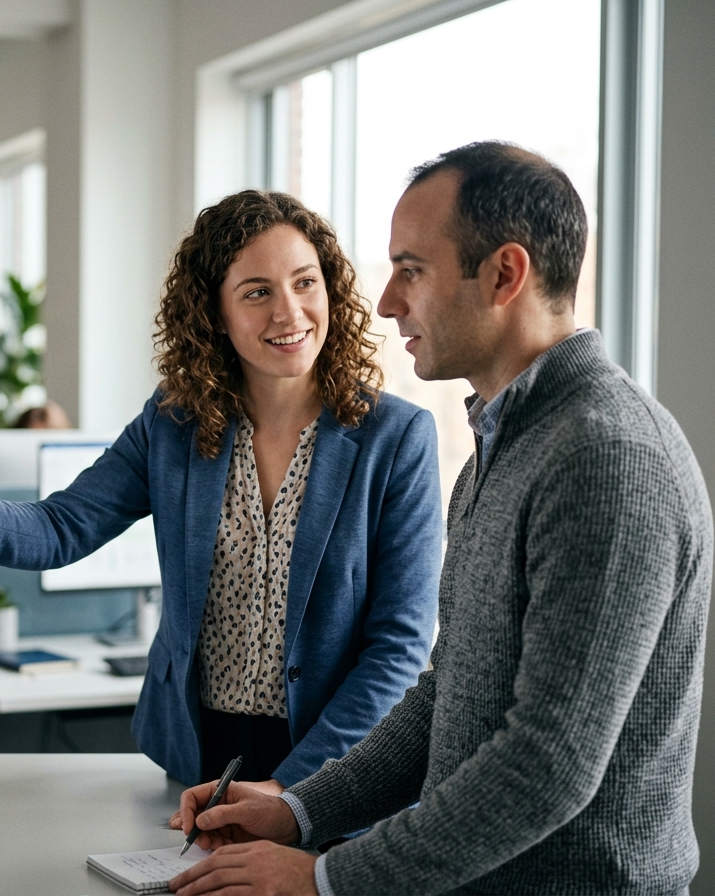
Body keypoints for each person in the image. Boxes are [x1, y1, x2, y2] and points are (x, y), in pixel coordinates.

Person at [169, 142, 713, 896]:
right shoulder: (506, 441)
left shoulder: (607, 457)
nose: (386, 301)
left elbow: (546, 768)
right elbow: (446, 694)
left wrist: (325, 878)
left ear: (503, 275)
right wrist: (298, 810)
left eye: (411, 270)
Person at [0, 191, 442, 789]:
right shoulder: (175, 424)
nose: (289, 312)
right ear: (215, 312)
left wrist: (295, 791)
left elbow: (400, 645)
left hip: (332, 758)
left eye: (305, 282)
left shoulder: (396, 437)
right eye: (257, 291)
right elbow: (63, 526)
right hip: (197, 752)